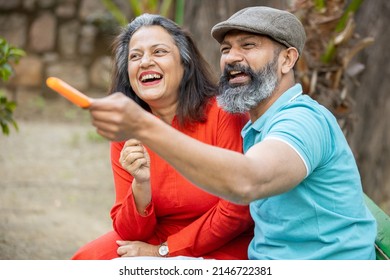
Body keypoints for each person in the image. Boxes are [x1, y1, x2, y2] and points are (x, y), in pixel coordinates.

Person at [88, 7, 377, 259]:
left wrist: (145, 126)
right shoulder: (255, 126)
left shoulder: (302, 121)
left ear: (287, 60)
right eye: (226, 49)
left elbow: (247, 182)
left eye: (248, 45)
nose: (231, 58)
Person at [72, 14, 254, 260]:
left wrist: (165, 251)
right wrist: (141, 184)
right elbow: (128, 232)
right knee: (86, 260)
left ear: (185, 63)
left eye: (159, 52)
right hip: (155, 237)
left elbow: (237, 211)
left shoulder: (223, 112)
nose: (145, 62)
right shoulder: (126, 128)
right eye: (135, 56)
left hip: (222, 240)